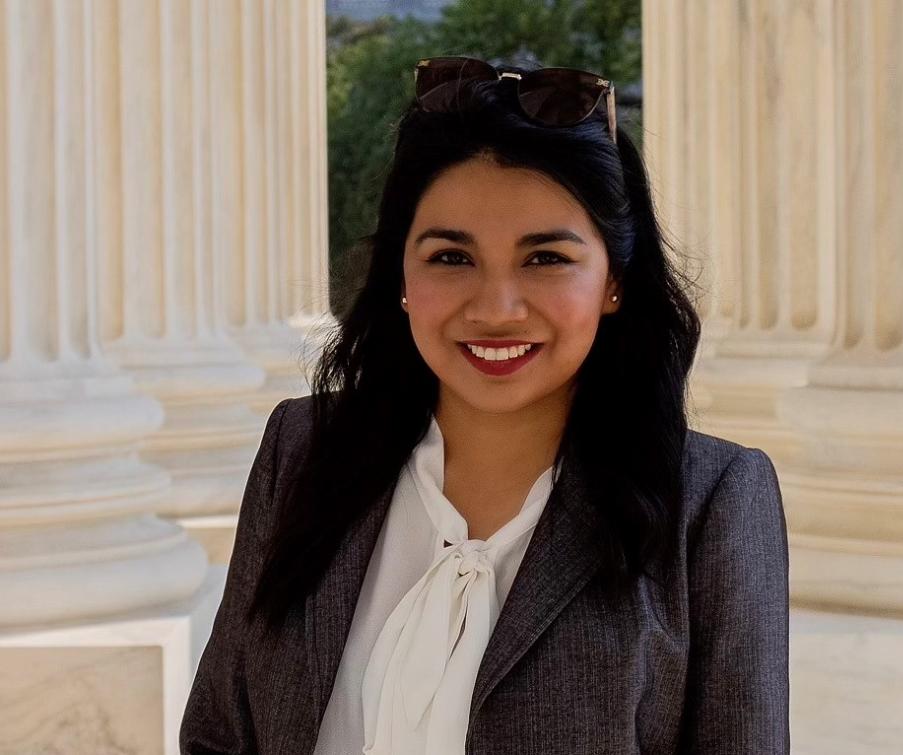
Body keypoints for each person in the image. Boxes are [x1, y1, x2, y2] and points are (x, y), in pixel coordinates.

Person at [179, 56, 790, 755]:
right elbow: (218, 736)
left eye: (546, 259)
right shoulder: (303, 448)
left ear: (614, 281)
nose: (497, 309)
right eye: (450, 257)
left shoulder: (711, 504)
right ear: (401, 276)